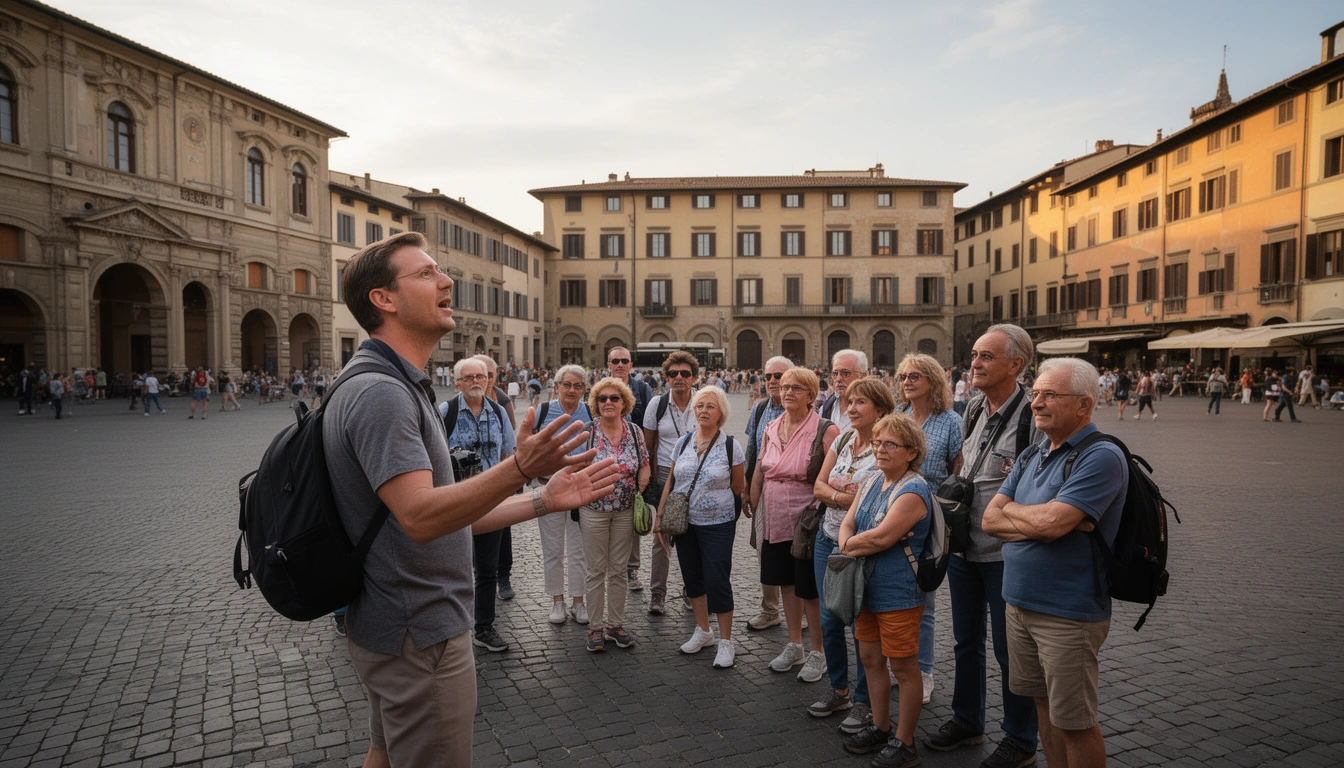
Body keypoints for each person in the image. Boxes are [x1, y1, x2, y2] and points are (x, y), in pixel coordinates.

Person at [325, 230, 618, 768]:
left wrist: (542, 501)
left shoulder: (390, 383)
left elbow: (446, 517)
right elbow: (419, 516)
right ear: (383, 300)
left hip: (395, 625)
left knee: (384, 754)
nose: (447, 280)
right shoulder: (382, 394)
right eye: (425, 273)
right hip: (420, 633)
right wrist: (521, 468)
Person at [982, 357, 1128, 768]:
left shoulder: (1100, 457)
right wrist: (1046, 518)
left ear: (1083, 405)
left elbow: (1050, 524)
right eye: (1036, 394)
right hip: (1019, 603)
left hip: (1068, 612)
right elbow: (990, 519)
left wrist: (1035, 517)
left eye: (1050, 395)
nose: (1037, 403)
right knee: (1044, 708)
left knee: (1075, 721)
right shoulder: (1033, 453)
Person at [925, 324, 1041, 768]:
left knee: (1011, 649)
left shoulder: (1033, 415)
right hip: (963, 547)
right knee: (965, 641)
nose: (975, 363)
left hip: (1007, 553)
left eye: (987, 356)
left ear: (1016, 364)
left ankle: (1020, 738)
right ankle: (967, 719)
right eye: (974, 354)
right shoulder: (971, 409)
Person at [836, 413, 935, 767]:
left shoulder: (914, 489)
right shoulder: (871, 480)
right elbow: (848, 523)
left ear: (911, 452)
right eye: (877, 442)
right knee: (870, 659)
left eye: (889, 444)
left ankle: (904, 742)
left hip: (899, 591)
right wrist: (852, 541)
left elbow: (882, 537)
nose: (879, 449)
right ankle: (880, 726)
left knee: (905, 669)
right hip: (866, 589)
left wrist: (849, 544)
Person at [808, 378, 894, 733]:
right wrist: (848, 496)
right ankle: (839, 689)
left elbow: (879, 501)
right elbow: (818, 484)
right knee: (829, 619)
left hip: (863, 546)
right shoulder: (843, 439)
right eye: (850, 401)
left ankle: (865, 701)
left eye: (861, 402)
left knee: (863, 626)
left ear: (881, 409)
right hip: (828, 537)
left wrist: (837, 494)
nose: (852, 408)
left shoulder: (887, 446)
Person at [751, 366, 839, 682]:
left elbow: (836, 477)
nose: (788, 391)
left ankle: (819, 651)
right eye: (785, 386)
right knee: (786, 581)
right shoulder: (771, 428)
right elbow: (762, 467)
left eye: (797, 388)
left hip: (808, 519)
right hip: (774, 513)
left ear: (811, 395)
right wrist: (753, 497)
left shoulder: (825, 430)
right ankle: (794, 644)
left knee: (809, 587)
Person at [656, 386, 745, 669]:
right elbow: (670, 482)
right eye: (700, 406)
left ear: (721, 413)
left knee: (717, 579)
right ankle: (704, 631)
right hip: (685, 524)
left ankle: (726, 641)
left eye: (710, 406)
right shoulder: (682, 443)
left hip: (718, 524)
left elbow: (738, 487)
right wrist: (660, 519)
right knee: (692, 578)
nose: (704, 410)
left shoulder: (731, 446)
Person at [894, 352, 964, 705]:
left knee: (925, 598)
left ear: (933, 381)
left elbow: (958, 471)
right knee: (896, 594)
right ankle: (902, 666)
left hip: (931, 517)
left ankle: (923, 671)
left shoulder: (950, 421)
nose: (907, 381)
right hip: (894, 514)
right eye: (904, 376)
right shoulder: (898, 417)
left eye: (915, 376)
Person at [444, 357, 517, 653]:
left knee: (487, 569)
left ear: (488, 380)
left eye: (481, 376)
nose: (476, 381)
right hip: (455, 502)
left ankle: (483, 627)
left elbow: (507, 455)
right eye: (469, 377)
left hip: (490, 502)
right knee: (451, 569)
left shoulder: (498, 412)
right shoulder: (445, 412)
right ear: (458, 382)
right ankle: (449, 628)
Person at [582, 377, 650, 652]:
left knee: (619, 570)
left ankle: (615, 625)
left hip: (624, 511)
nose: (608, 402)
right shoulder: (587, 432)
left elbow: (644, 463)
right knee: (596, 569)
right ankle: (595, 628)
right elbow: (573, 468)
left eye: (614, 398)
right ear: (596, 404)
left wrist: (640, 488)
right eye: (602, 399)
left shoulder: (634, 431)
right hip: (594, 510)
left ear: (624, 403)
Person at [639, 351, 698, 614]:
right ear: (666, 377)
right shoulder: (657, 405)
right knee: (661, 533)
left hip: (696, 476)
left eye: (685, 373)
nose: (679, 378)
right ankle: (657, 594)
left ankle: (690, 590)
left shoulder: (705, 401)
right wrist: (649, 478)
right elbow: (648, 444)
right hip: (665, 474)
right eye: (673, 373)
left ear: (694, 377)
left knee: (691, 536)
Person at [533, 364, 591, 625]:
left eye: (578, 386)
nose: (571, 390)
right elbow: (529, 449)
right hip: (548, 489)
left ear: (584, 389)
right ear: (556, 386)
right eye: (566, 384)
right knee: (553, 549)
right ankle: (558, 600)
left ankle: (579, 601)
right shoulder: (542, 412)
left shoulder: (590, 411)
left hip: (580, 491)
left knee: (580, 551)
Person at [744, 355, 790, 632]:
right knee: (765, 551)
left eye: (779, 376)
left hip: (793, 497)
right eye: (769, 376)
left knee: (796, 553)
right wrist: (746, 490)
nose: (773, 381)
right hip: (763, 492)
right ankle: (770, 610)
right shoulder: (760, 409)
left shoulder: (807, 410)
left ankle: (803, 612)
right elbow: (751, 452)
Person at [473, 354, 519, 599]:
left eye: (489, 375)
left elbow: (510, 441)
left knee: (502, 528)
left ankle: (504, 577)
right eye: (480, 375)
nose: (484, 380)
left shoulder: (501, 401)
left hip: (498, 477)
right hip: (469, 482)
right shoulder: (455, 406)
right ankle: (478, 575)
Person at [820, 349, 867, 433]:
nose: (838, 379)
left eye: (845, 373)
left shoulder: (873, 411)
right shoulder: (826, 408)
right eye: (835, 373)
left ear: (862, 376)